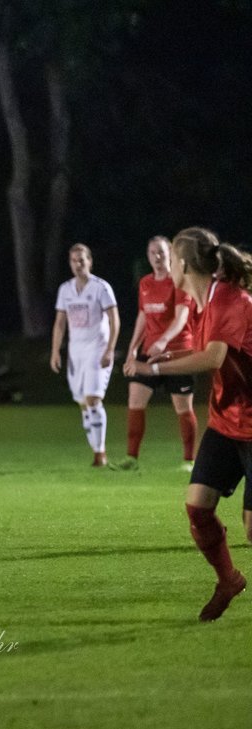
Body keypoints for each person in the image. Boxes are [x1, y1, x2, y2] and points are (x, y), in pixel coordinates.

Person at [125, 226, 252, 621]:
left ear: (181, 264)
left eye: (171, 260)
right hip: (225, 420)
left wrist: (155, 365)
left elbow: (212, 359)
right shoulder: (199, 303)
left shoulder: (231, 299)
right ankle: (228, 579)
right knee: (197, 507)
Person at [116, 236, 197, 471]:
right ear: (148, 256)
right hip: (149, 352)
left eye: (161, 252)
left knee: (182, 407)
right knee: (135, 400)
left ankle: (188, 460)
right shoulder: (145, 283)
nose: (157, 257)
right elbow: (143, 316)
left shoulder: (180, 282)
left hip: (178, 353)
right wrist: (132, 349)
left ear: (170, 253)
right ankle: (131, 457)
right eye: (152, 253)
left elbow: (182, 317)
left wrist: (163, 340)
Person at [50, 244, 121, 467]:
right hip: (75, 352)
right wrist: (55, 351)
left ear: (90, 261)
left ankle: (100, 453)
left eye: (81, 260)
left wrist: (110, 349)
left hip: (96, 349)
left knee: (93, 399)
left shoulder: (101, 288)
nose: (78, 264)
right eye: (73, 260)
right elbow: (60, 323)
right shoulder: (65, 289)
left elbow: (114, 320)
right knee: (82, 403)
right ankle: (95, 449)